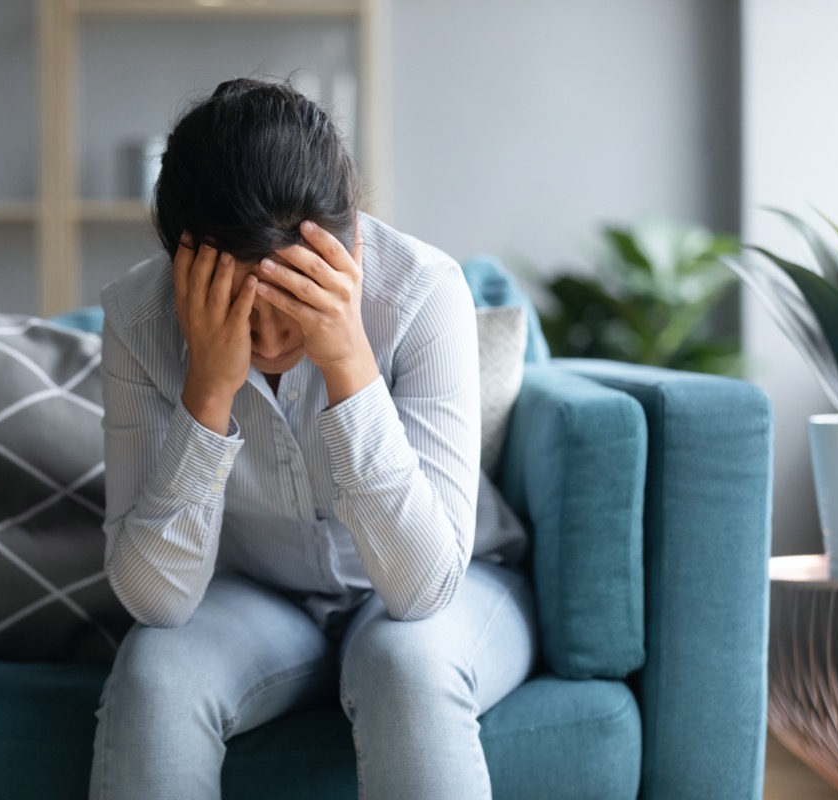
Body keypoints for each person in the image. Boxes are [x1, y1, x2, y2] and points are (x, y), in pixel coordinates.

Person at [90, 77, 535, 800]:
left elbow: (423, 589)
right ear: (181, 267)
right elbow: (157, 603)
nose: (266, 339)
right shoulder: (141, 322)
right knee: (154, 674)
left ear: (349, 239)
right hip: (259, 598)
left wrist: (349, 365)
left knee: (406, 666)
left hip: (455, 580)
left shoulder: (423, 293)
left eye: (288, 300)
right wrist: (208, 392)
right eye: (236, 305)